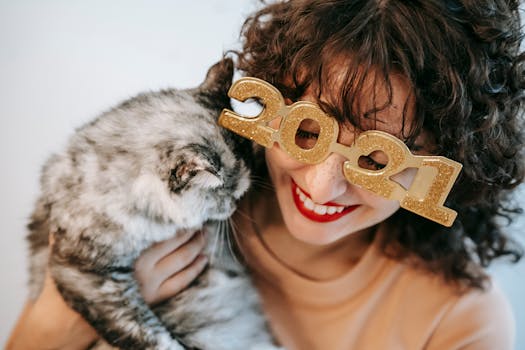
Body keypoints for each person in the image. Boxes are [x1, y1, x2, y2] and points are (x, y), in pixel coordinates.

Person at [7, 0, 525, 349]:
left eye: (376, 160)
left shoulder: (460, 324)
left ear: (453, 164)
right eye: (308, 131)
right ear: (271, 93)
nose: (322, 186)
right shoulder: (175, 194)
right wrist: (73, 305)